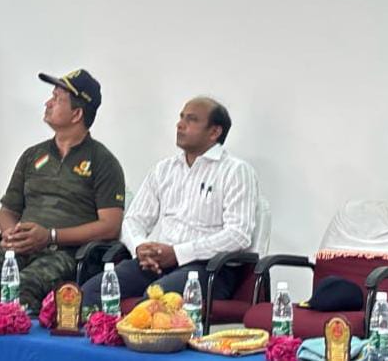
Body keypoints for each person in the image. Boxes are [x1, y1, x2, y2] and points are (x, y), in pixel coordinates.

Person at [0, 69, 126, 316]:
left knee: (24, 288)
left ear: (77, 114)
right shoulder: (33, 155)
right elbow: (8, 210)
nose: (48, 103)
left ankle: (19, 341)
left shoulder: (103, 161)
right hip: (21, 247)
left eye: (57, 99)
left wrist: (50, 236)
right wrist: (10, 233)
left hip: (66, 253)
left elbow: (110, 226)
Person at [80, 97, 260, 311]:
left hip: (208, 268)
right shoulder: (164, 169)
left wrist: (178, 253)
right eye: (181, 117)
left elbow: (238, 235)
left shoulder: (235, 171)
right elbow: (133, 220)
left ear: (214, 132)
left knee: (154, 302)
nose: (180, 124)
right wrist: (140, 246)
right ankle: (97, 332)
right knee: (90, 293)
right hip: (157, 262)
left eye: (191, 120)